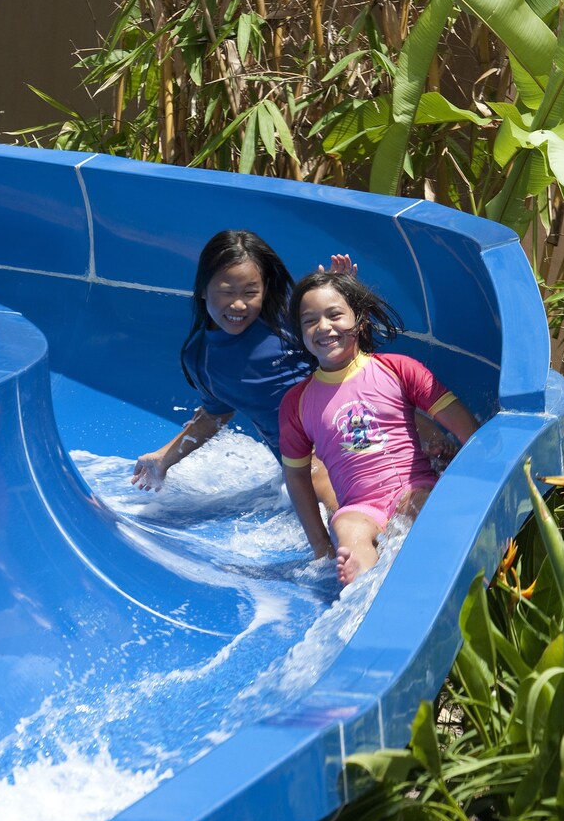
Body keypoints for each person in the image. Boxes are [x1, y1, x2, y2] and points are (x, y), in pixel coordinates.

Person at [278, 271, 479, 586]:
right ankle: (361, 583)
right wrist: (321, 545)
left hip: (412, 489)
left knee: (425, 511)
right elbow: (296, 476)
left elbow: (466, 427)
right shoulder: (298, 402)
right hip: (360, 505)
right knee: (347, 528)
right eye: (309, 320)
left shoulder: (396, 369)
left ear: (359, 318)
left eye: (334, 315)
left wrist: (478, 485)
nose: (323, 327)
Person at [131, 230, 355, 503]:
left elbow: (349, 356)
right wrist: (164, 457)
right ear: (203, 289)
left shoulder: (288, 317)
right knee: (323, 483)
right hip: (305, 464)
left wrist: (339, 300)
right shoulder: (202, 358)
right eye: (226, 292)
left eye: (251, 292)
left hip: (348, 426)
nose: (238, 304)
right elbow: (215, 413)